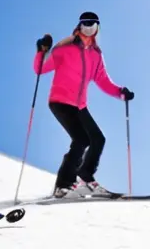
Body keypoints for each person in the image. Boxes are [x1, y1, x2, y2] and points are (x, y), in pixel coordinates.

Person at [33, 12, 134, 199]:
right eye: (85, 24)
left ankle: (85, 178)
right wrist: (41, 51)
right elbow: (40, 69)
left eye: (93, 25)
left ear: (97, 28)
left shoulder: (96, 55)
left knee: (98, 139)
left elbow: (103, 80)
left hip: (79, 105)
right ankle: (63, 186)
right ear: (79, 26)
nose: (89, 28)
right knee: (81, 140)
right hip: (60, 101)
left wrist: (121, 92)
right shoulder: (65, 47)